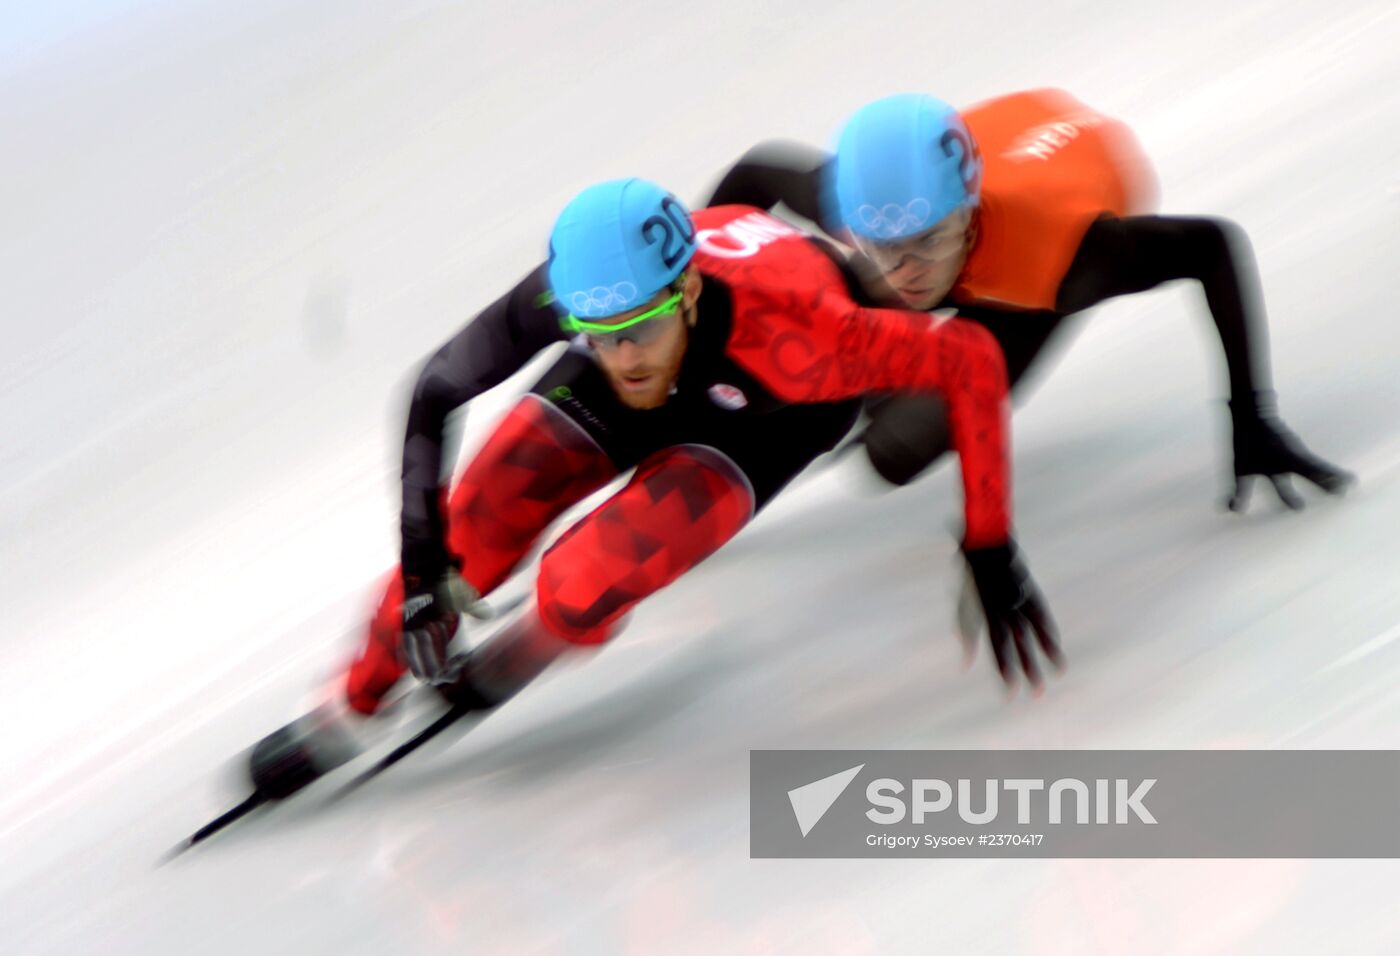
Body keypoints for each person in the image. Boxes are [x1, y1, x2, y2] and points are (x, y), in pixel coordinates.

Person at [247, 179, 1062, 799]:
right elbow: (434, 389)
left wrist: (988, 543)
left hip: (765, 412)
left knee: (581, 582)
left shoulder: (812, 338)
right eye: (597, 335)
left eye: (638, 329)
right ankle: (351, 699)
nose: (623, 355)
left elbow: (971, 364)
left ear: (691, 291)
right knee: (472, 532)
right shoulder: (591, 299)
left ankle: (542, 642)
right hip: (676, 365)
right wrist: (425, 575)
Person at [706, 89, 1353, 508]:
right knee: (823, 349)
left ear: (966, 210)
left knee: (895, 455)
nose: (906, 269)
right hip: (1006, 147)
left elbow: (1213, 245)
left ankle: (872, 397)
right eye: (881, 244)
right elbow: (757, 173)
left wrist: (1251, 415)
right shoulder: (863, 206)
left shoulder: (1073, 259)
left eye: (927, 240)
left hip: (1037, 247)